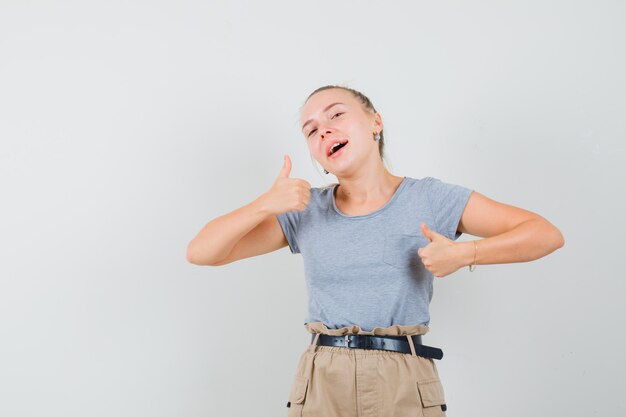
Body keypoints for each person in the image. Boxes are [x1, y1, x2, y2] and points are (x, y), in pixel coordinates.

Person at [186, 85, 565, 417]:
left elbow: (544, 234)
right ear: (316, 156)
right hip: (322, 379)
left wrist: (467, 255)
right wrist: (264, 204)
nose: (324, 130)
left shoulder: (430, 198)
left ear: (375, 123)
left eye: (336, 114)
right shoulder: (305, 212)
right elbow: (202, 252)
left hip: (403, 376)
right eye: (311, 130)